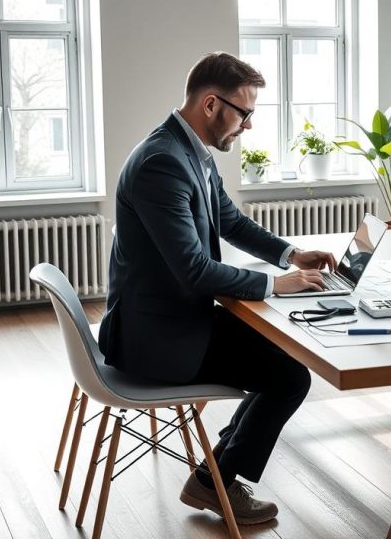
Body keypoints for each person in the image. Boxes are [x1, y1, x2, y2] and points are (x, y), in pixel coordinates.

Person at [98, 51, 337, 525]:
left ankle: (215, 478)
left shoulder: (188, 151)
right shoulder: (161, 164)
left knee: (281, 357)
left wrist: (290, 255)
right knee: (290, 376)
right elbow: (193, 270)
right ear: (212, 104)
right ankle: (215, 484)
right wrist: (277, 285)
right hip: (154, 339)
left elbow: (228, 219)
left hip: (169, 316)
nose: (247, 125)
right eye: (244, 112)